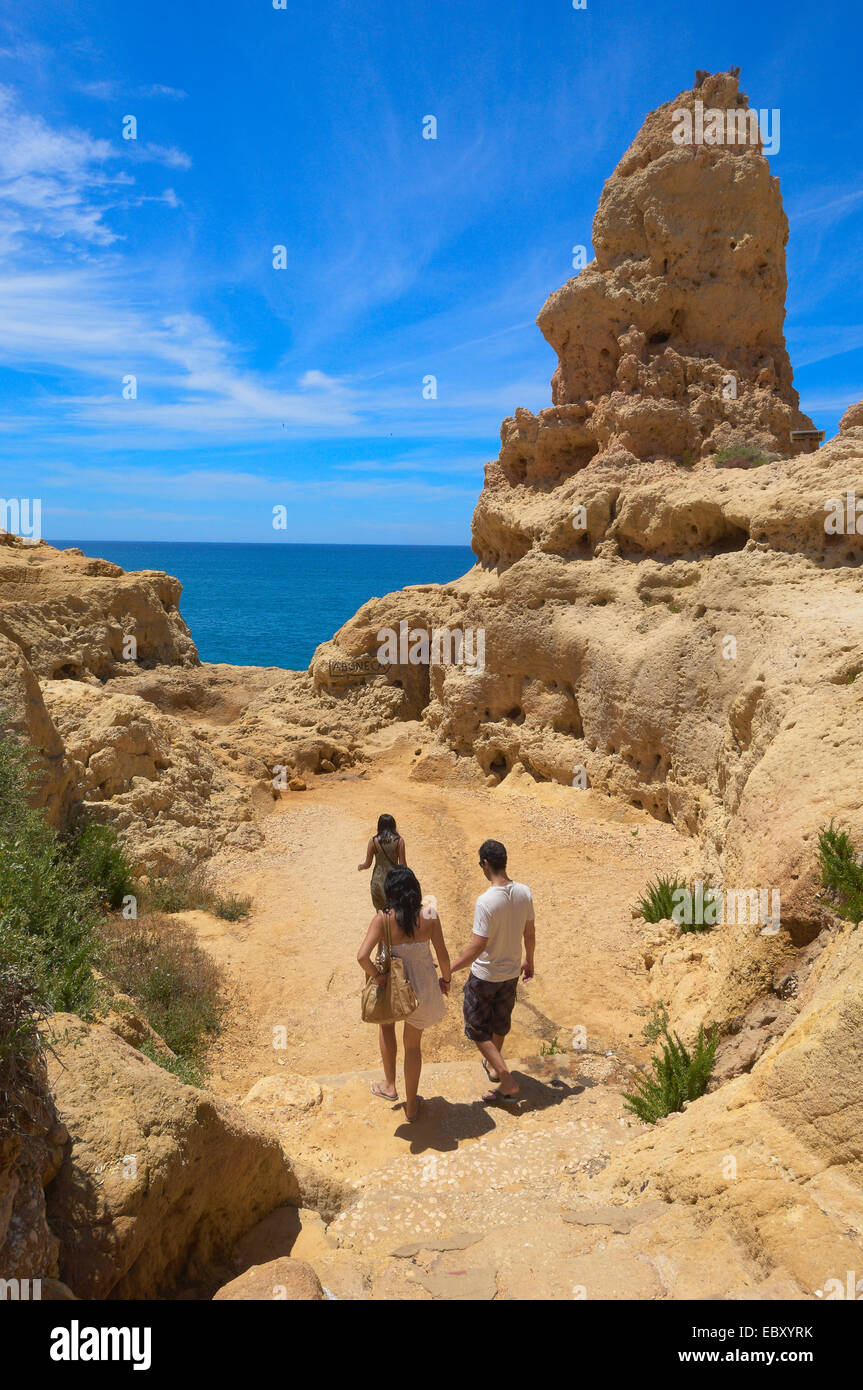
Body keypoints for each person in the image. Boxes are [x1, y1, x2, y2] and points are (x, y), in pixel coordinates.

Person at [357, 866, 450, 1123]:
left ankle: (389, 1085)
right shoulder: (429, 914)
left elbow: (361, 956)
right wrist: (446, 979)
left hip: (394, 988)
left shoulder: (383, 919)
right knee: (413, 1047)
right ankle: (411, 1107)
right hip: (422, 990)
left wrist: (378, 976)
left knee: (386, 1027)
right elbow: (442, 953)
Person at [449, 839, 534, 1104]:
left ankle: (506, 1080)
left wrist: (449, 969)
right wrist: (529, 960)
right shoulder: (524, 892)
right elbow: (529, 933)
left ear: (486, 864)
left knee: (476, 1028)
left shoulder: (485, 901)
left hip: (485, 975)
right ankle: (493, 1067)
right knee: (500, 1021)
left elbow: (477, 946)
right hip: (510, 973)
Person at [358, 813, 406, 910]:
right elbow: (403, 865)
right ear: (393, 825)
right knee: (394, 913)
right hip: (393, 881)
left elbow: (368, 864)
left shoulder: (373, 841)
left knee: (381, 915)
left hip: (378, 882)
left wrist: (361, 866)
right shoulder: (399, 841)